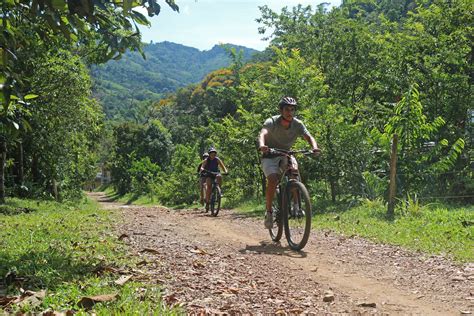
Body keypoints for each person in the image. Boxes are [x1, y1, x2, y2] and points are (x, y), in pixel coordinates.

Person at [258, 96, 321, 229]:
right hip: (270, 155)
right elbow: (263, 133)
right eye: (287, 109)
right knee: (273, 180)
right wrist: (262, 145)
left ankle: (296, 206)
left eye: (292, 109)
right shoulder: (272, 121)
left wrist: (314, 147)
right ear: (281, 110)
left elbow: (309, 137)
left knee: (294, 173)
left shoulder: (297, 124)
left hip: (286, 153)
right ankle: (269, 212)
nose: (290, 112)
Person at [200, 147, 228, 211]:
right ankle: (207, 202)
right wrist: (202, 170)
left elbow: (223, 167)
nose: (213, 155)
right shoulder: (206, 160)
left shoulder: (217, 159)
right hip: (209, 174)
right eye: (212, 154)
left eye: (214, 154)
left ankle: (219, 191)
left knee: (219, 177)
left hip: (216, 173)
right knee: (209, 186)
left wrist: (226, 171)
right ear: (209, 154)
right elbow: (202, 167)